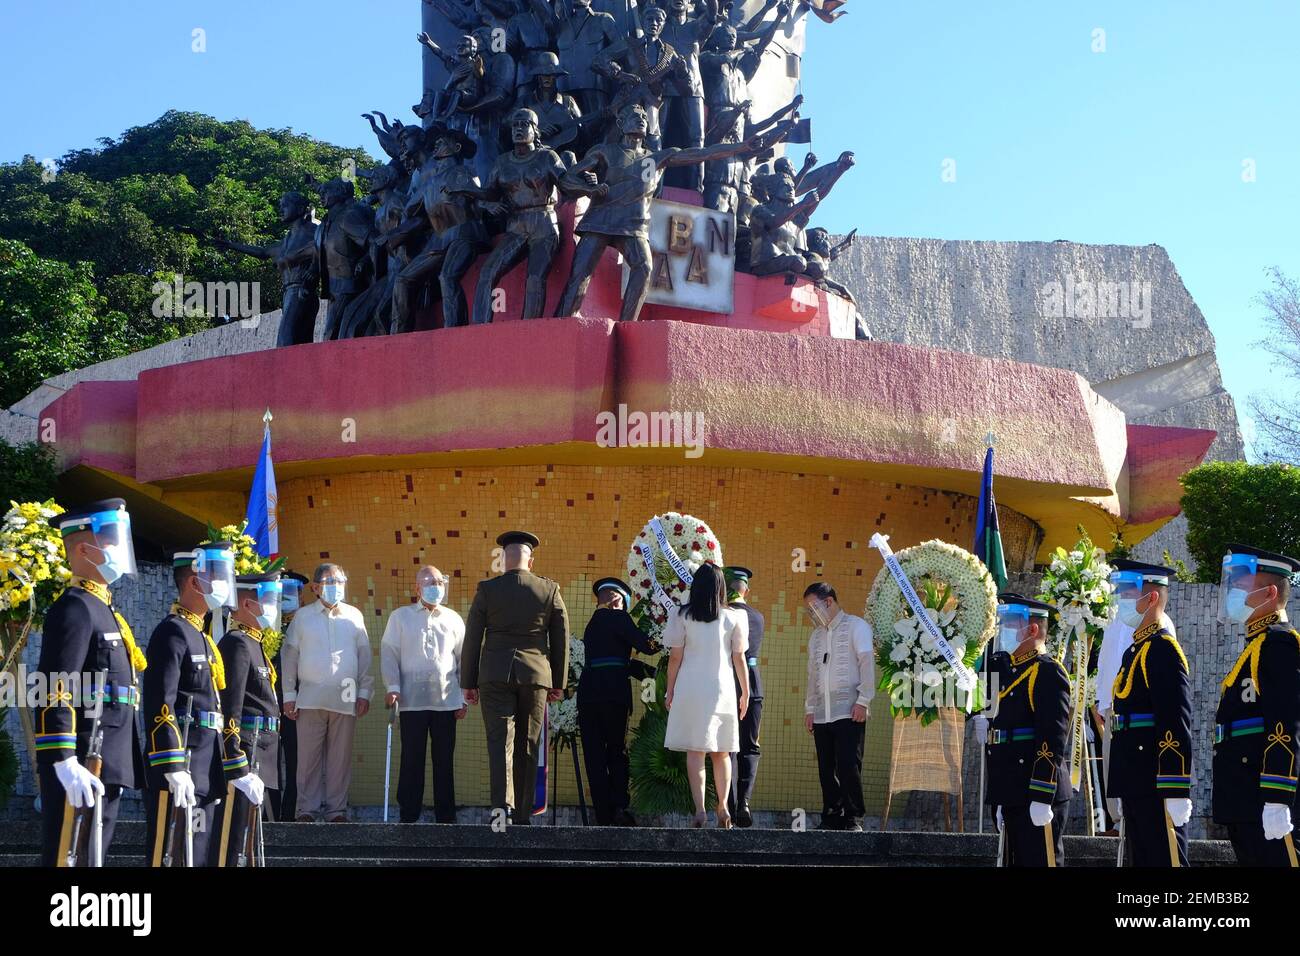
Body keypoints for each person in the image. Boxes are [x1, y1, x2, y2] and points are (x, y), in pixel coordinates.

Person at [33, 499, 144, 867]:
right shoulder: (75, 607)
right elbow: (55, 683)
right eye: (110, 540)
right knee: (70, 856)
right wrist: (62, 757)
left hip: (107, 754)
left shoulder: (105, 609)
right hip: (82, 753)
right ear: (83, 548)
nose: (117, 549)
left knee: (92, 856)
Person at [462, 531, 569, 824]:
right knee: (528, 744)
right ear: (530, 561)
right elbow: (561, 637)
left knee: (499, 744)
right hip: (535, 676)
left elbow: (473, 637)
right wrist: (558, 681)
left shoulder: (487, 590)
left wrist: (468, 682)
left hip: (494, 674)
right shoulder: (549, 590)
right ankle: (523, 817)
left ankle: (501, 812)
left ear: (503, 560)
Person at [142, 542, 235, 867]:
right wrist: (172, 765)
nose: (225, 585)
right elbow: (159, 704)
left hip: (207, 767)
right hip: (184, 763)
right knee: (174, 853)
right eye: (218, 577)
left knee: (200, 855)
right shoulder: (172, 633)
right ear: (195, 582)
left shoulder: (203, 638)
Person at [1212, 544, 1300, 866]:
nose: (1233, 590)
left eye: (1241, 583)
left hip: (1263, 798)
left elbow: (1285, 723)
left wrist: (1278, 796)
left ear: (1269, 592)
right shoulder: (1257, 644)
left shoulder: (1280, 644)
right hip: (1245, 798)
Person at [1107, 560, 1193, 866]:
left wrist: (1175, 786)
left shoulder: (1162, 649)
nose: (1121, 599)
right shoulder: (1134, 651)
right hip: (1135, 776)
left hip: (1154, 779)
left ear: (1151, 597)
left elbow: (1175, 720)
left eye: (1128, 592)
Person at [978, 594, 1072, 866]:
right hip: (1012, 789)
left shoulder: (1048, 672)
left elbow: (1052, 739)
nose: (1002, 630)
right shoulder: (1008, 670)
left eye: (1009, 623)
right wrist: (998, 797)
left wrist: (1042, 795)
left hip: (1036, 790)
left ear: (1032, 629)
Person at [282, 563, 373, 823]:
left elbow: (364, 655)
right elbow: (289, 656)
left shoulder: (354, 615)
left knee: (340, 759)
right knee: (308, 758)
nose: (336, 587)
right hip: (309, 698)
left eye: (340, 581)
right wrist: (289, 694)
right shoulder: (302, 617)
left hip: (345, 698)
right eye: (330, 582)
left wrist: (365, 691)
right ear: (316, 587)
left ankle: (336, 810)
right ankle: (306, 810)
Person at [663, 562, 750, 828]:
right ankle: (723, 807)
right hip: (721, 689)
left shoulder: (681, 615)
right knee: (722, 752)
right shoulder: (734, 617)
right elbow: (739, 659)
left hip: (690, 688)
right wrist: (745, 692)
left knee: (695, 751)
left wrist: (670, 690)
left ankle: (700, 810)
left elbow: (675, 658)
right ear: (721, 587)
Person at [381, 565, 467, 824]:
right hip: (410, 702)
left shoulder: (453, 618)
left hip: (447, 701)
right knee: (411, 760)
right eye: (429, 581)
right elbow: (389, 654)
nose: (435, 585)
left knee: (444, 761)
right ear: (416, 587)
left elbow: (464, 659)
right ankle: (408, 815)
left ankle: (446, 817)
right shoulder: (400, 617)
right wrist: (392, 687)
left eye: (440, 581)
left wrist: (464, 697)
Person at [209, 572, 282, 865]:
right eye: (267, 599)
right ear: (247, 603)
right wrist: (234, 759)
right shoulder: (237, 643)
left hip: (266, 751)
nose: (272, 606)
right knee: (237, 837)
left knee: (258, 838)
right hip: (248, 751)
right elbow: (231, 706)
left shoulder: (256, 643)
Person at [576, 577, 658, 826]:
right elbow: (647, 646)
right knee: (616, 752)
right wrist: (663, 636)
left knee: (594, 755)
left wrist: (649, 674)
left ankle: (602, 814)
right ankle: (620, 807)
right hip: (613, 698)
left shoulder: (592, 625)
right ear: (618, 600)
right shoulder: (619, 619)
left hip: (588, 696)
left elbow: (617, 660)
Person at [803, 581, 873, 832]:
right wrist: (810, 708)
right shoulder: (815, 637)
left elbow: (866, 664)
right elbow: (812, 674)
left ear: (829, 601)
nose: (811, 615)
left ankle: (854, 817)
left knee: (848, 765)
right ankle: (831, 815)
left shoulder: (857, 626)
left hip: (850, 710)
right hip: (823, 713)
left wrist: (864, 701)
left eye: (814, 608)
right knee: (826, 769)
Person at [724, 565, 764, 828]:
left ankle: (726, 806)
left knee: (724, 748)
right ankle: (744, 803)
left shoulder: (719, 616)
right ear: (746, 590)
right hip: (752, 682)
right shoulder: (758, 617)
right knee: (749, 746)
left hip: (725, 682)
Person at [270, 570, 308, 821]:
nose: (288, 598)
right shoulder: (265, 625)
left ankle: (291, 815)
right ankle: (269, 814)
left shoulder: (306, 624)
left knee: (297, 764)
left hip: (298, 706)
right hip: (269, 705)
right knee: (269, 763)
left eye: (292, 593)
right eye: (282, 593)